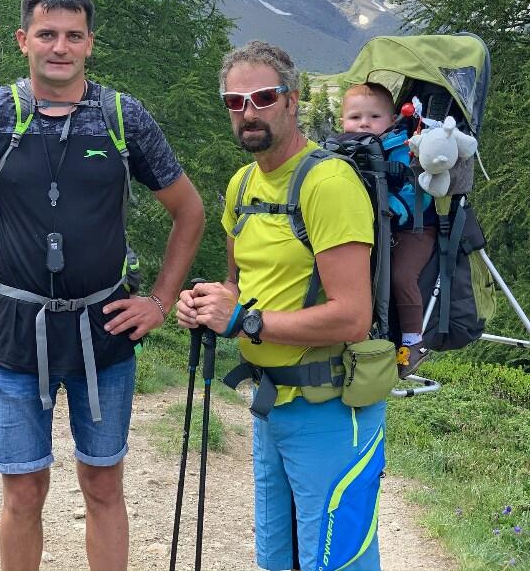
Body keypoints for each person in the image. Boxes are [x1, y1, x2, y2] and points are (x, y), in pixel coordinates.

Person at [0, 0, 205, 571]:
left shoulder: (121, 117)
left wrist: (160, 302)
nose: (60, 47)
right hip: (17, 328)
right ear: (23, 40)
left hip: (105, 327)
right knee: (23, 491)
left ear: (90, 43)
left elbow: (189, 211)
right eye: (47, 34)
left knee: (102, 483)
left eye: (73, 35)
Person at [177, 41, 386, 571]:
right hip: (271, 406)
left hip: (331, 407)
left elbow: (353, 316)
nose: (248, 112)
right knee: (278, 559)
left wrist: (244, 321)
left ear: (292, 101)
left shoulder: (328, 184)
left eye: (263, 97)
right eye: (234, 101)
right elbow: (237, 284)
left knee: (337, 563)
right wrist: (207, 305)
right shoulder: (242, 184)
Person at [341, 82, 435, 377]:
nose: (364, 123)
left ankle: (413, 341)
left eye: (374, 117)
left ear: (393, 120)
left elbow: (419, 188)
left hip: (413, 227)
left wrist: (392, 207)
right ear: (343, 121)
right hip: (374, 227)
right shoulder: (345, 151)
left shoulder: (403, 147)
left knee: (400, 276)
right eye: (355, 117)